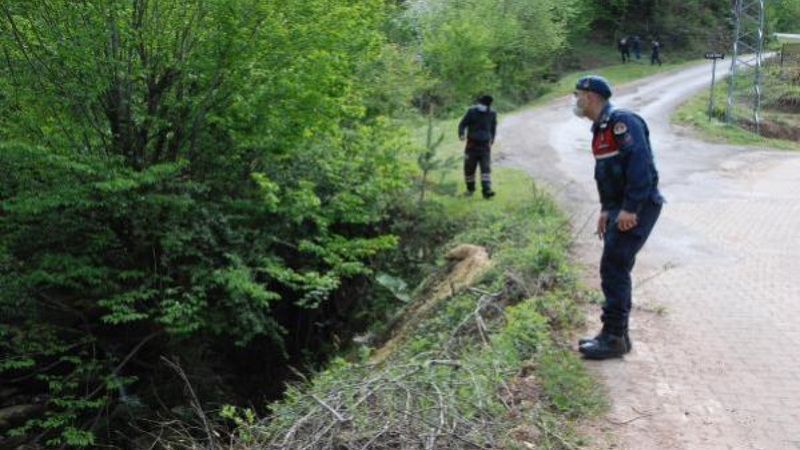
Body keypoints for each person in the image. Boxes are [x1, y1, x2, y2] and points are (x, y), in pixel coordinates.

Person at [571, 75, 664, 359]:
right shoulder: (600, 130)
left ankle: (613, 338)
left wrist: (630, 209)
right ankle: (617, 335)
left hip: (639, 205)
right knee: (615, 266)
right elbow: (607, 176)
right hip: (621, 206)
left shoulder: (621, 122)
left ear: (592, 97)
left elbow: (641, 168)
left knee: (614, 267)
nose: (575, 100)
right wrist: (607, 209)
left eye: (578, 95)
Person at [458, 95, 497, 199]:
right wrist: (461, 134)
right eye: (482, 104)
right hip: (472, 145)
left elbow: (493, 127)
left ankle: (487, 190)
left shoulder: (492, 113)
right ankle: (470, 189)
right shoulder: (471, 112)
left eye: (485, 105)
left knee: (486, 169)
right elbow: (462, 124)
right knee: (469, 169)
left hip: (485, 146)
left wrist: (492, 138)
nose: (482, 106)